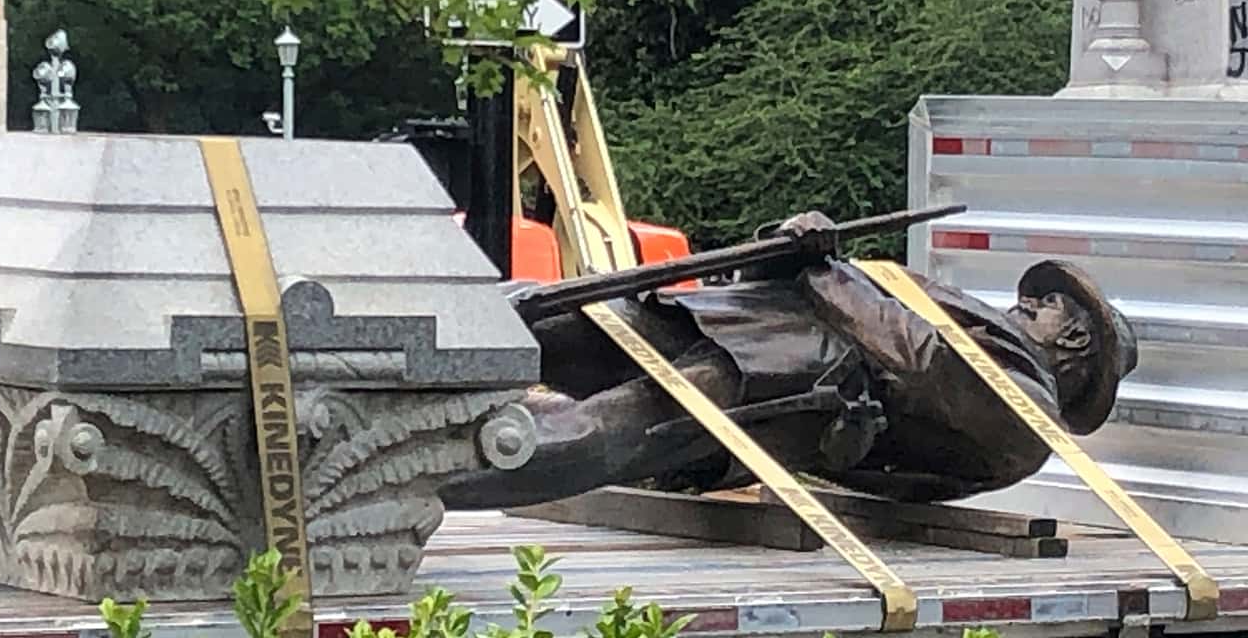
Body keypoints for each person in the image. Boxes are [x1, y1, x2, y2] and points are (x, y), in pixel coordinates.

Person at [438, 212, 1138, 509]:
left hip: (794, 388)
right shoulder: (1001, 344)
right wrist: (796, 247)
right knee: (556, 320)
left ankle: (406, 477)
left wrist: (825, 269)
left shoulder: (1029, 412)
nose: (1031, 304)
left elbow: (922, 359)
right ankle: (392, 352)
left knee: (606, 431)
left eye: (1047, 304)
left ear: (1073, 342)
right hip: (747, 326)